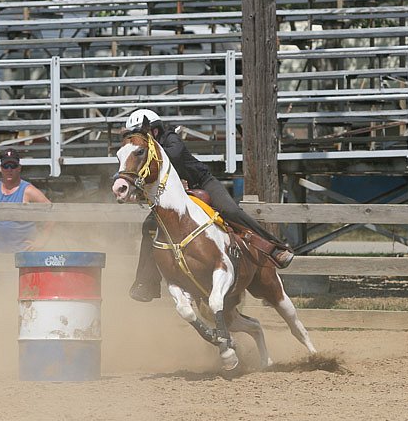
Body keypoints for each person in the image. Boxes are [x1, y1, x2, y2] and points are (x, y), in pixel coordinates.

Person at [123, 108, 295, 302]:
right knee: (149, 228)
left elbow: (174, 156)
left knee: (230, 210)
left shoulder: (171, 140)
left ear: (154, 131)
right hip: (179, 198)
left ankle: (275, 248)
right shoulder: (142, 155)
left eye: (141, 134)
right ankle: (147, 282)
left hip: (203, 183)